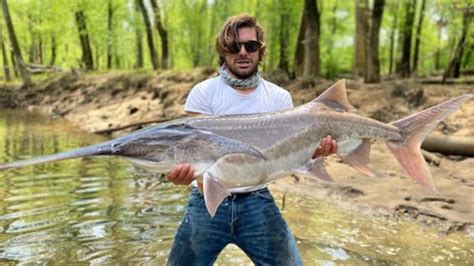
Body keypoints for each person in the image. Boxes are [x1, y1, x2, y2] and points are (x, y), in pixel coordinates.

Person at [166, 14, 337, 265]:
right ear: (223, 51)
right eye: (234, 47)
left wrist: (315, 151)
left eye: (251, 46)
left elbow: (286, 152)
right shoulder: (203, 93)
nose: (243, 52)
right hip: (206, 203)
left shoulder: (279, 98)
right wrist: (183, 175)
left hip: (257, 201)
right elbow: (198, 156)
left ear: (260, 50)